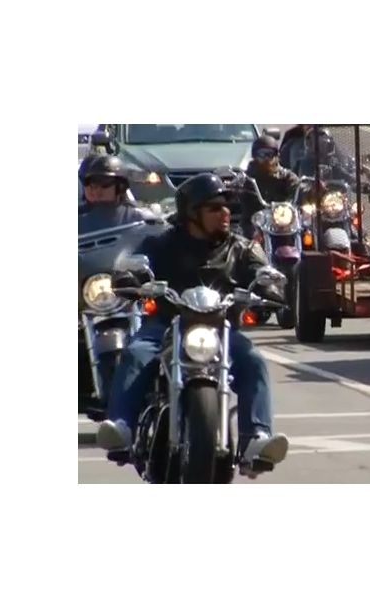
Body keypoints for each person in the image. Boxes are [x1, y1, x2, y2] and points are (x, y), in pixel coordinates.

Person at [95, 173, 290, 477]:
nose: (224, 213)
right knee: (136, 353)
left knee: (253, 360)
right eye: (214, 207)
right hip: (166, 324)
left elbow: (263, 271)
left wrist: (269, 287)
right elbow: (134, 263)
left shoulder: (241, 247)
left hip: (222, 330)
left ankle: (256, 438)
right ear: (191, 213)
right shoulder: (162, 243)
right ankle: (122, 426)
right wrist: (130, 277)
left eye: (226, 207)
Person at [78, 155, 154, 229]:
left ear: (121, 187)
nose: (96, 190)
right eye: (90, 182)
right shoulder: (80, 221)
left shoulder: (140, 219)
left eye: (103, 182)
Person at [246, 135, 302, 204]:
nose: (266, 158)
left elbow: (299, 190)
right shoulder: (247, 178)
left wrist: (310, 191)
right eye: (262, 154)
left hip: (280, 210)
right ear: (255, 157)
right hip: (253, 210)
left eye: (270, 154)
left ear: (277, 156)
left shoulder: (287, 177)